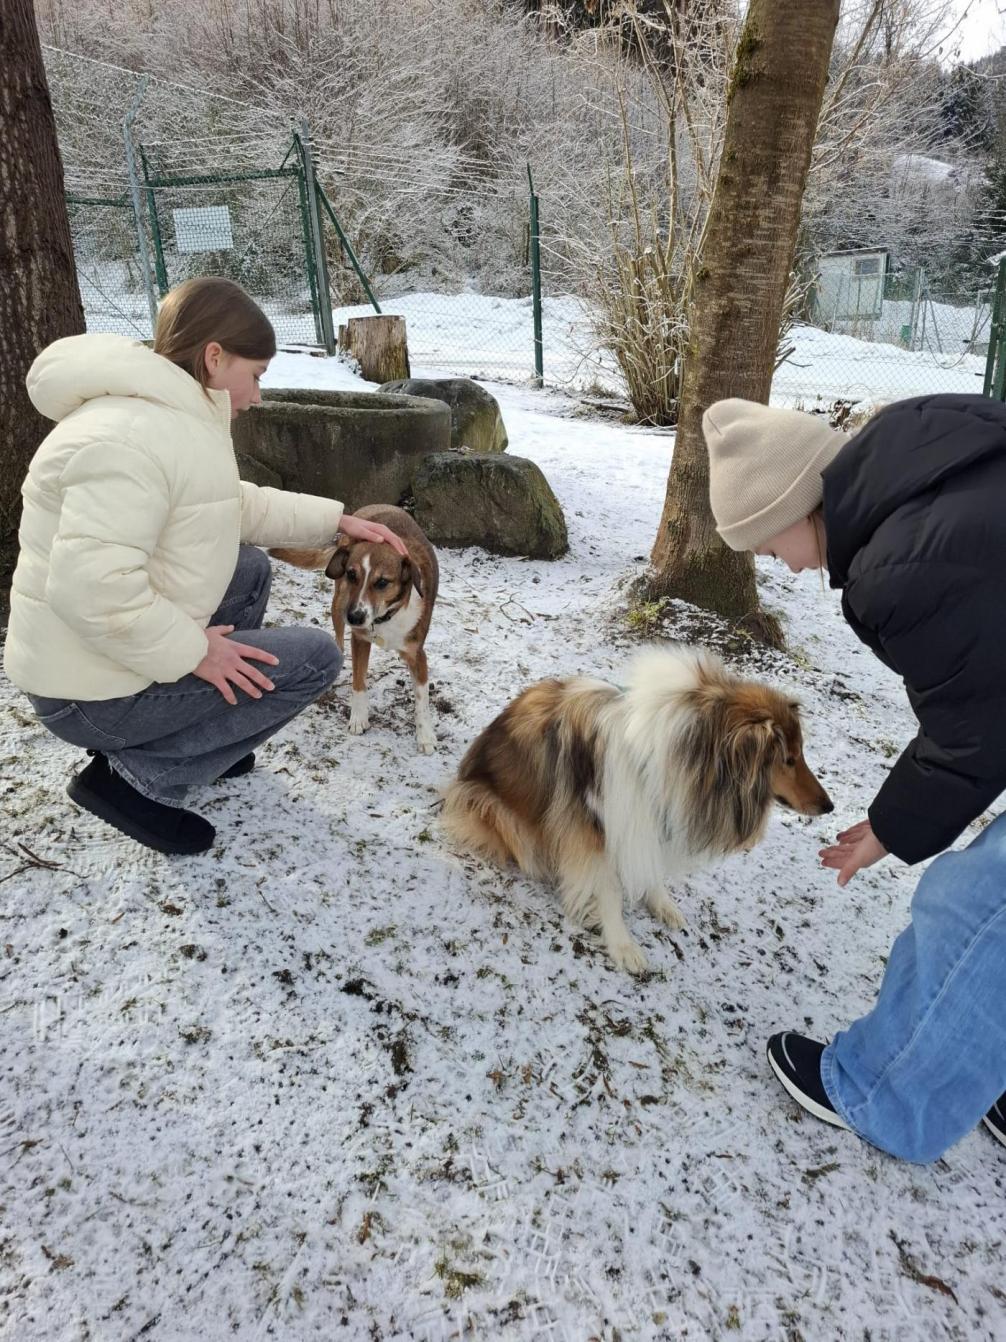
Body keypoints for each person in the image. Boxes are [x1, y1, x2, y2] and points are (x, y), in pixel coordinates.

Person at [703, 393, 1006, 1164]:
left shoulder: (897, 565)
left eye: (770, 551)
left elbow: (976, 730)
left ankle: (882, 1092)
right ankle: (983, 1059)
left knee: (977, 906)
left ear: (791, 508)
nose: (787, 569)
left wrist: (892, 828)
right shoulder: (921, 440)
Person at [4, 277, 407, 857]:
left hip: (101, 661)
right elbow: (91, 589)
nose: (258, 395)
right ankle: (137, 778)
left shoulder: (169, 413)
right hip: (86, 693)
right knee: (314, 660)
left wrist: (337, 521)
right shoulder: (128, 439)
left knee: (247, 570)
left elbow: (226, 505)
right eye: (257, 375)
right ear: (214, 357)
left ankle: (193, 734)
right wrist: (197, 650)